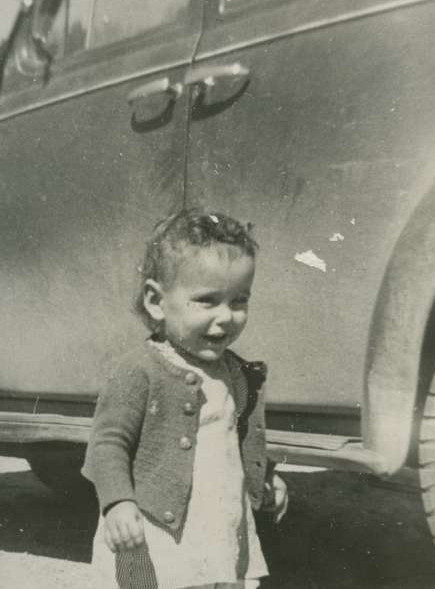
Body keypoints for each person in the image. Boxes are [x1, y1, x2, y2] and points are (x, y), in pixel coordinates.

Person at [82, 208, 288, 589]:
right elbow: (107, 444)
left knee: (219, 576)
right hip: (158, 527)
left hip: (219, 521)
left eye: (239, 300)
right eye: (207, 301)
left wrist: (267, 475)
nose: (226, 317)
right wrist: (117, 502)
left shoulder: (236, 373)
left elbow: (238, 436)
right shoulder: (140, 370)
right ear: (156, 301)